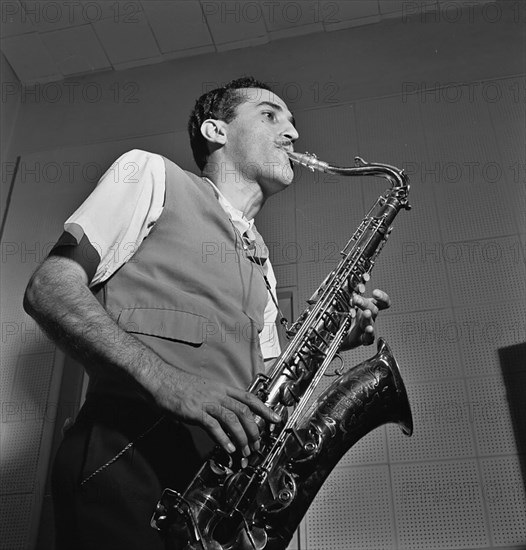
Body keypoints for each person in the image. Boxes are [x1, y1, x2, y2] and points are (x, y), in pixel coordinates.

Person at [23, 77, 391, 550]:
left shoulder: (264, 264)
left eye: (293, 122)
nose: (293, 133)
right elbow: (49, 289)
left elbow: (266, 387)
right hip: (129, 460)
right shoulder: (149, 174)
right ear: (216, 131)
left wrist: (334, 338)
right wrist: (168, 381)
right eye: (269, 115)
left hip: (220, 500)